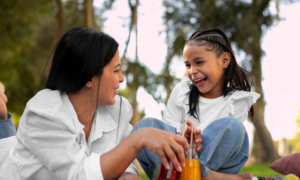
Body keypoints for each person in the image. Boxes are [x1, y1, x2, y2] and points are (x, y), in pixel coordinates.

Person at [0, 27, 191, 180]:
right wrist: (141, 136)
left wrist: (128, 173)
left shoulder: (117, 108)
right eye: (116, 71)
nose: (122, 78)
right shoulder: (44, 113)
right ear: (89, 77)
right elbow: (79, 175)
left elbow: (121, 152)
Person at [132, 28, 259, 180]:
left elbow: (223, 145)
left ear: (224, 60)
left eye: (199, 62)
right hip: (177, 163)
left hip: (209, 163)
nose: (192, 71)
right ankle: (208, 177)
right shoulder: (181, 91)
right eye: (188, 65)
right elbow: (166, 137)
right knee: (144, 127)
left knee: (234, 127)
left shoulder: (238, 99)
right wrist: (184, 139)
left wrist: (196, 142)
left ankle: (197, 174)